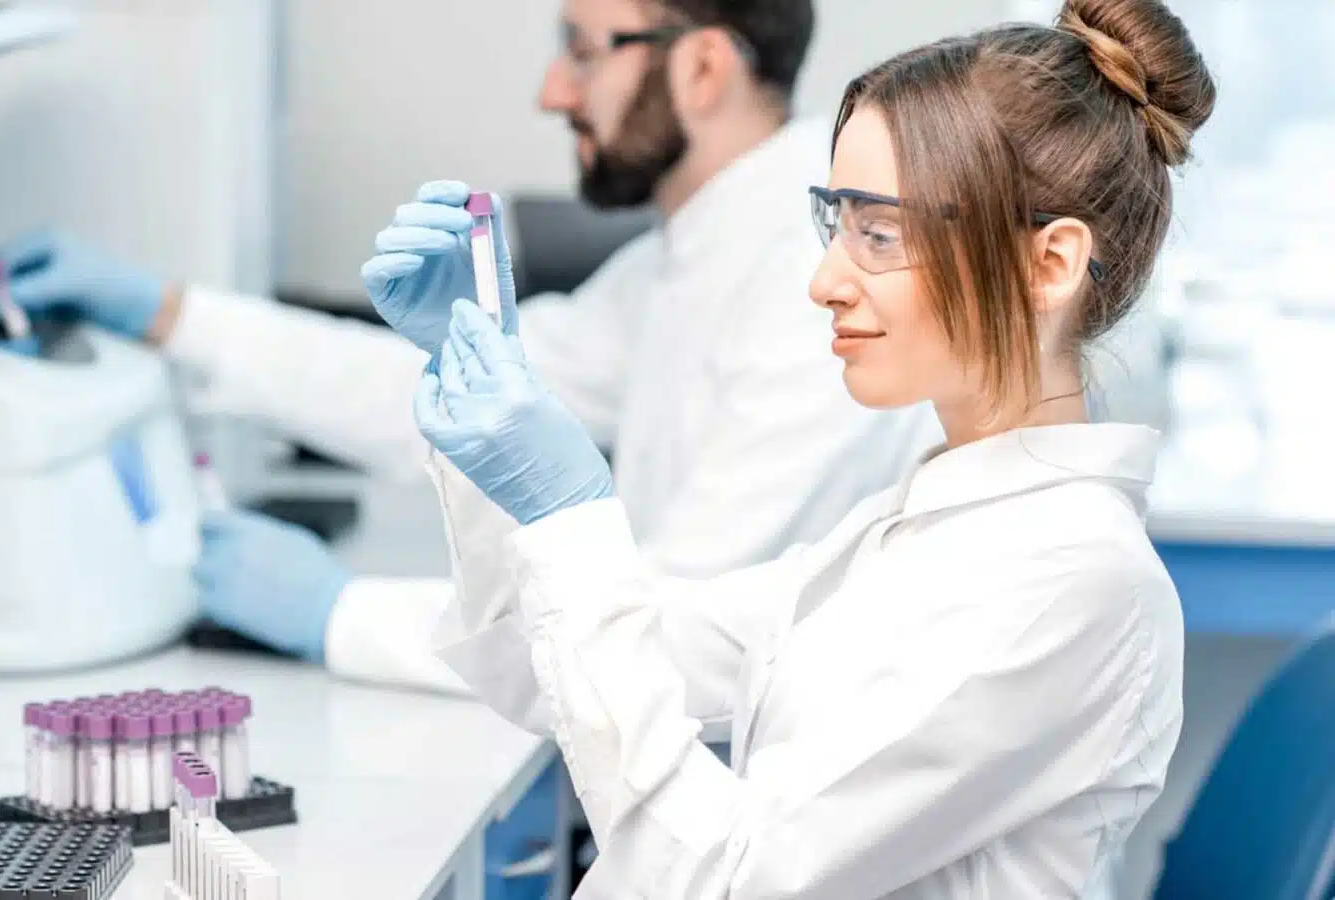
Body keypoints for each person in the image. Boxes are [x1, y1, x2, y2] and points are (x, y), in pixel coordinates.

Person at [406, 0, 1216, 894]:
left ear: (1049, 265)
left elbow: (718, 878)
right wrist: (488, 446)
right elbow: (540, 673)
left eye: (880, 234)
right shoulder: (908, 531)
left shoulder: (1074, 587)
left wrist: (573, 519)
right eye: (838, 225)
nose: (826, 280)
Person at [0, 0, 934, 694]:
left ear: (703, 69)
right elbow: (442, 394)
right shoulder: (688, 258)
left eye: (582, 50)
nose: (553, 91)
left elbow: (672, 637)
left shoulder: (811, 284)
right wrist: (167, 314)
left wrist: (338, 616)